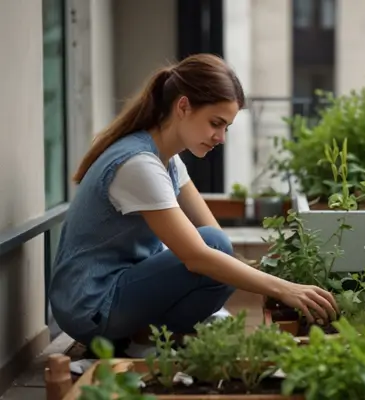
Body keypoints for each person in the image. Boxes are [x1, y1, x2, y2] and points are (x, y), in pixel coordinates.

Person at [49, 54, 338, 356]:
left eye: (226, 127)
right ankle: (145, 341)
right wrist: (283, 288)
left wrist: (269, 274)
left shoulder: (168, 160)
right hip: (91, 305)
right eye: (216, 123)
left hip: (114, 292)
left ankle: (144, 335)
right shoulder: (138, 164)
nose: (221, 138)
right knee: (213, 249)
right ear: (183, 106)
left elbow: (213, 234)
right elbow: (199, 256)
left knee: (218, 245)